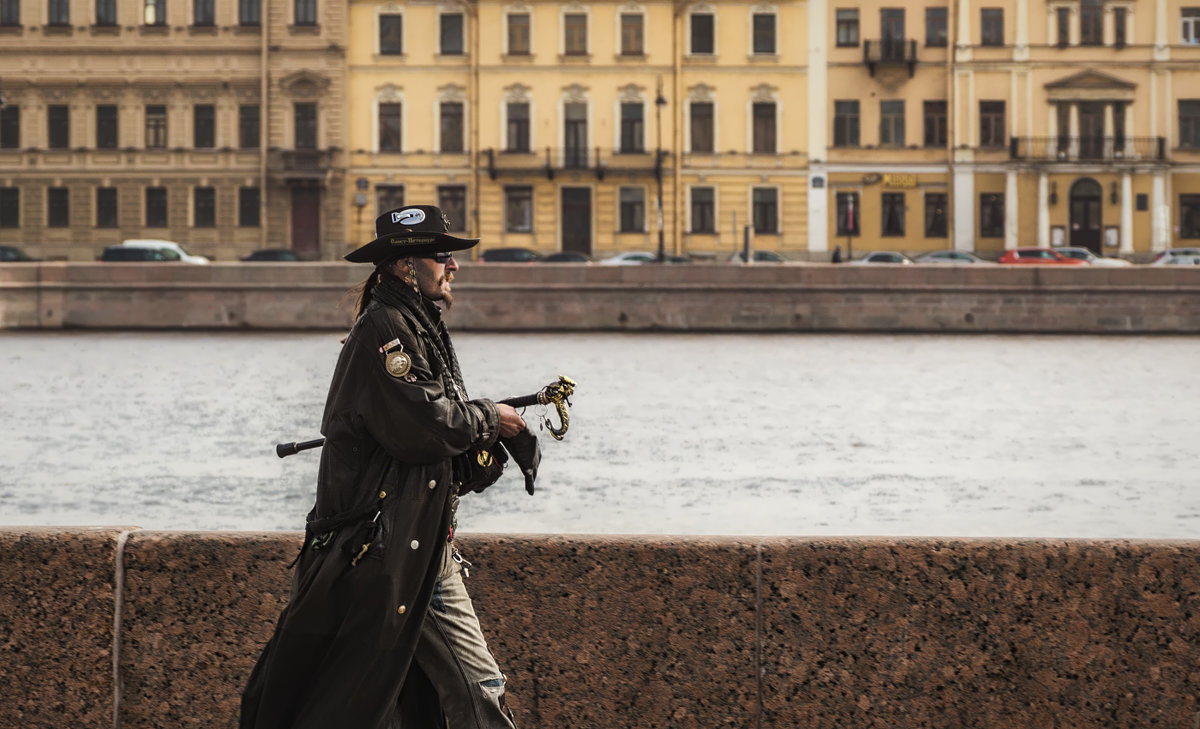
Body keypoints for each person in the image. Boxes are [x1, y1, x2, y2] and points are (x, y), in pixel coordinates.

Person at [241, 205, 529, 729]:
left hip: (411, 543)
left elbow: (434, 438)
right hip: (387, 552)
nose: (453, 266)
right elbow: (424, 425)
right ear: (404, 266)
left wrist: (486, 438)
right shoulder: (386, 329)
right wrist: (491, 417)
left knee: (398, 699)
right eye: (442, 255)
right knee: (467, 688)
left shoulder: (413, 324)